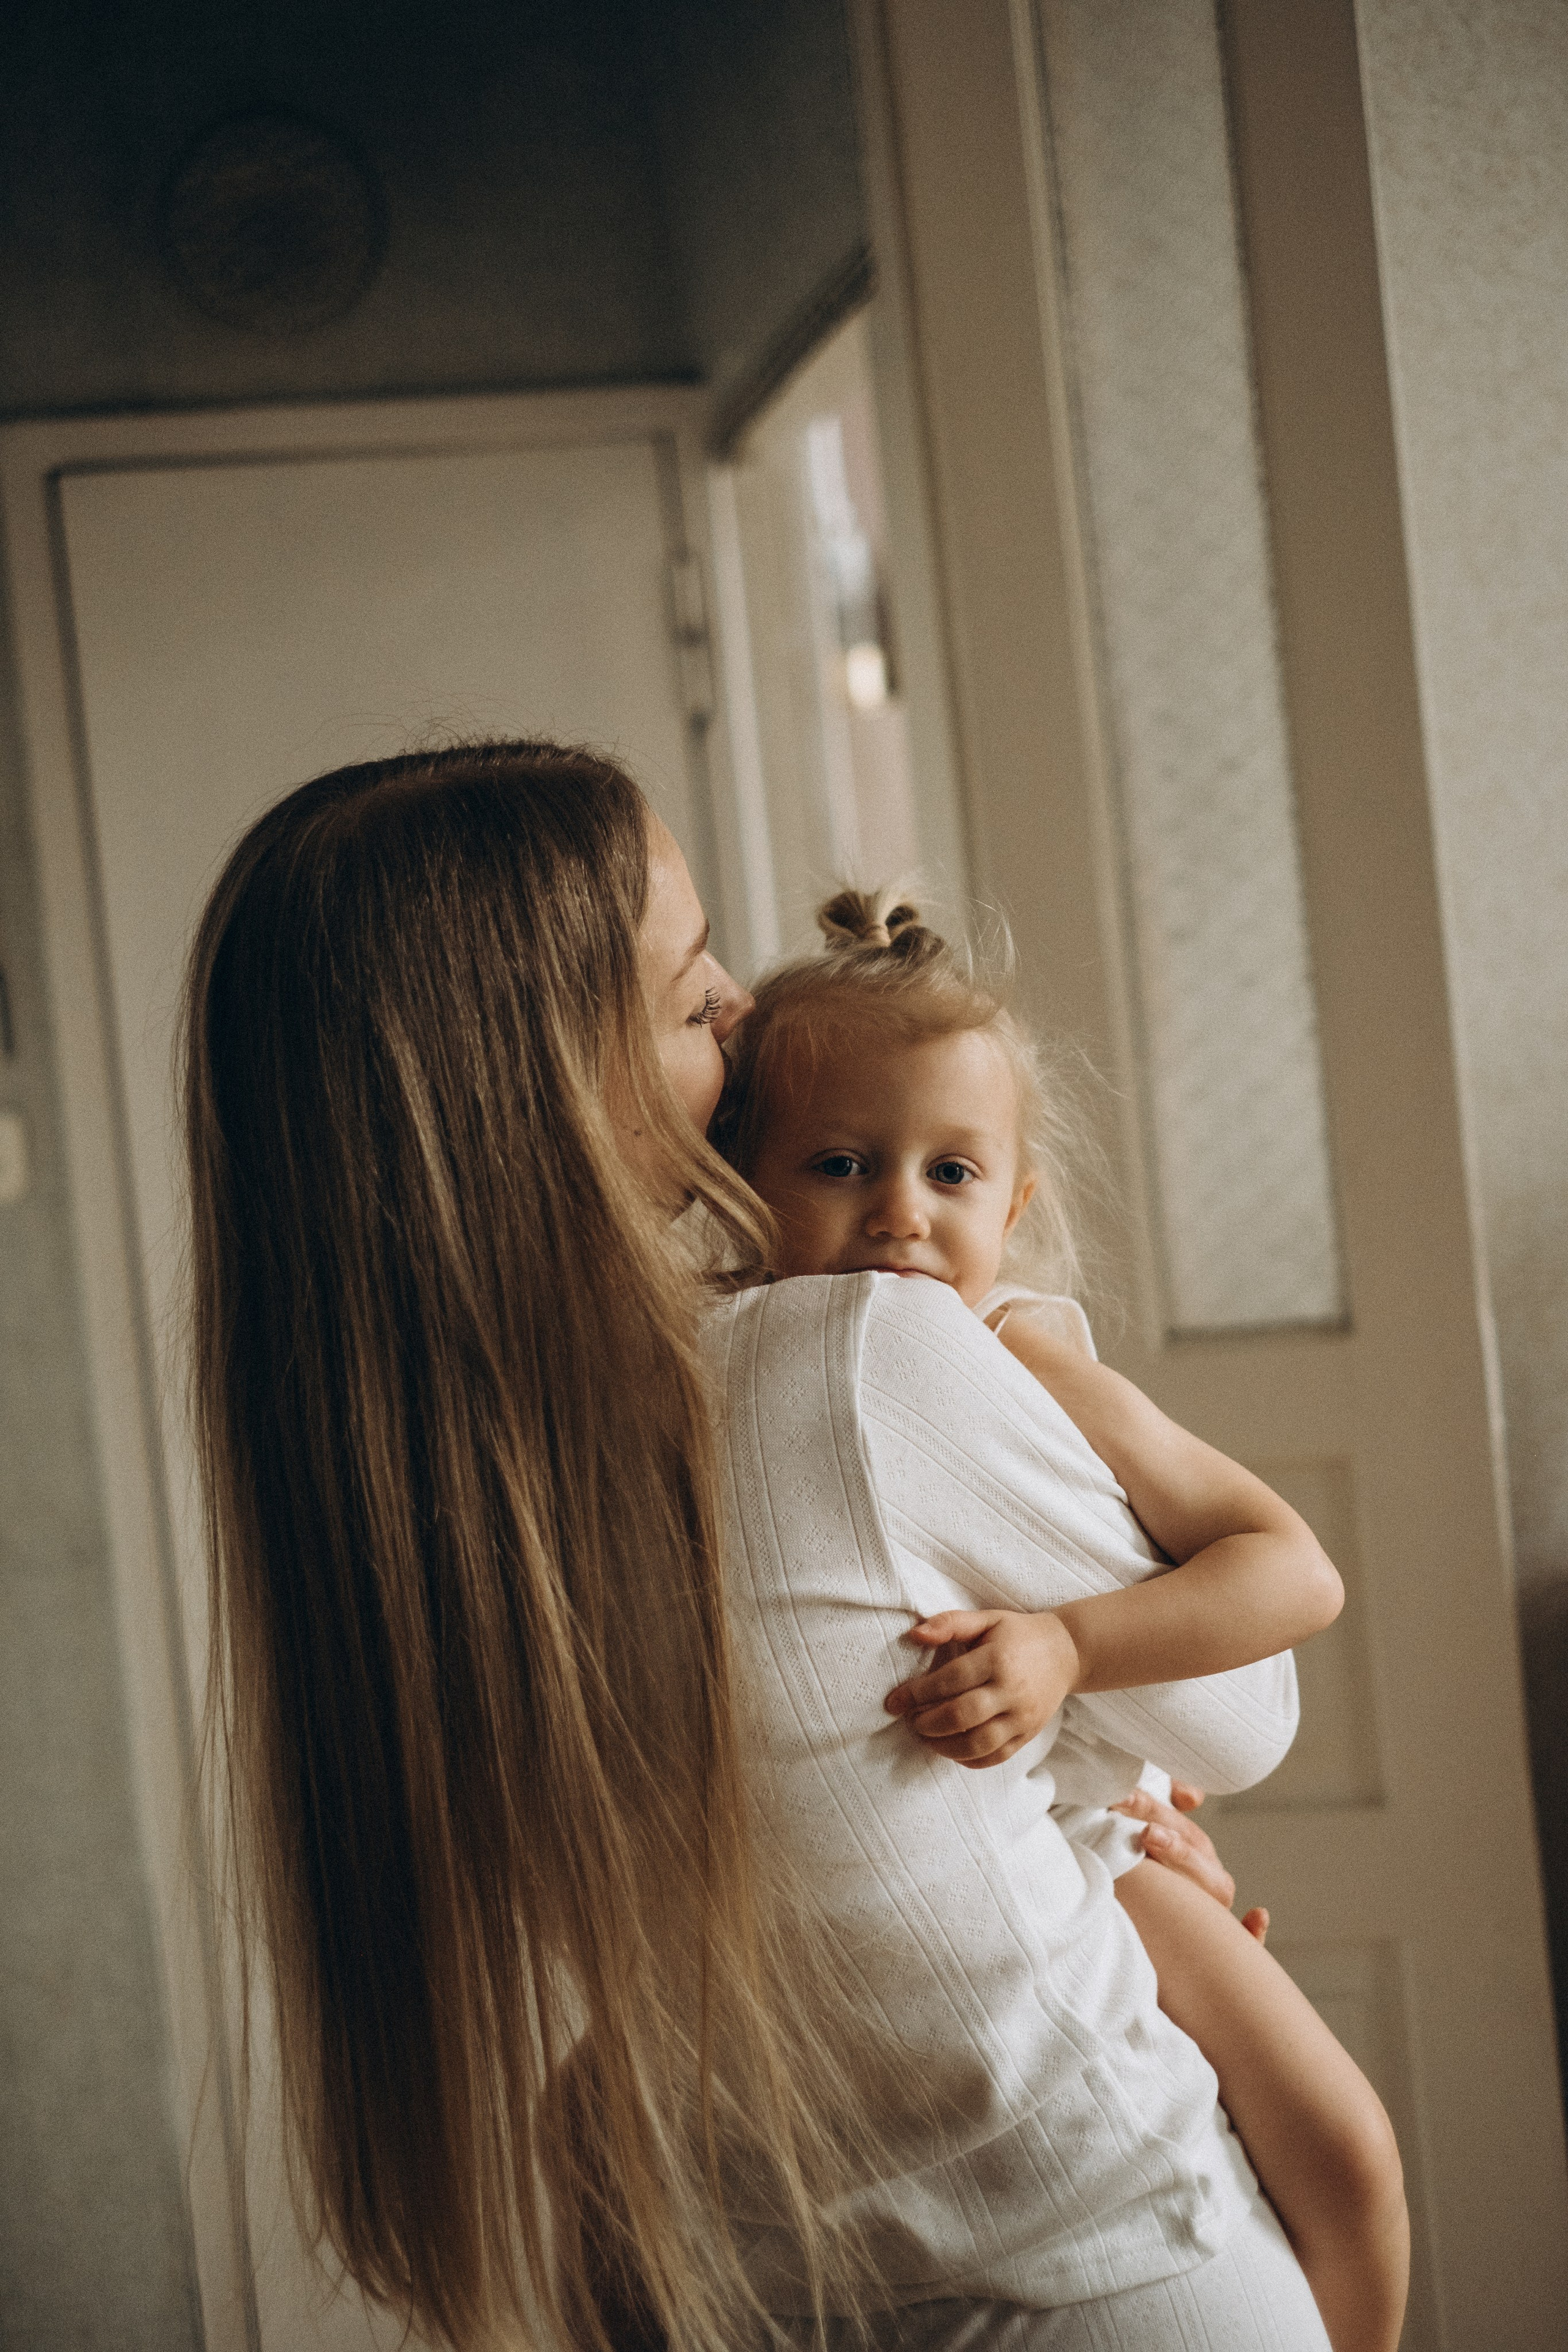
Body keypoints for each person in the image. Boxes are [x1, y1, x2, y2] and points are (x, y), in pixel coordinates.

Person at [183, 741, 1343, 2352]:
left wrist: (1067, 1791)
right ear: (549, 1086)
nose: (746, 1013)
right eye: (687, 993)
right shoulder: (857, 1362)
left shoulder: (416, 1549)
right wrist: (1105, 1785)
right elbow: (1243, 1715)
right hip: (1113, 2272)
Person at [713, 885, 1409, 2352]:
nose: (900, 1211)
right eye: (840, 1163)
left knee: (1341, 2155)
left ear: (1013, 1204)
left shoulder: (1019, 1352)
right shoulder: (739, 1364)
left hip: (1111, 1843)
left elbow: (1291, 1570)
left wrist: (1075, 1645)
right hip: (980, 1903)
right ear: (740, 1182)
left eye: (950, 1172)